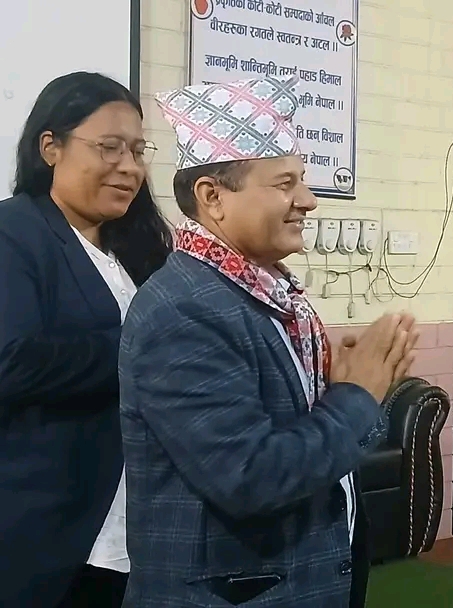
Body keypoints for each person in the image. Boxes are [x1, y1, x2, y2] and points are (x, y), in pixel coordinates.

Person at [118, 75, 417, 607]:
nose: (308, 201)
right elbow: (251, 477)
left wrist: (345, 389)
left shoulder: (263, 293)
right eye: (284, 184)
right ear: (213, 197)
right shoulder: (183, 309)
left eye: (302, 180)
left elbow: (311, 441)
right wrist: (356, 397)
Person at [0, 71, 172, 608]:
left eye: (138, 151)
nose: (130, 166)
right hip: (50, 531)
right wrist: (147, 348)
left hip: (138, 525)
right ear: (50, 147)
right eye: (109, 147)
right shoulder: (14, 232)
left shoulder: (140, 247)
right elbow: (11, 361)